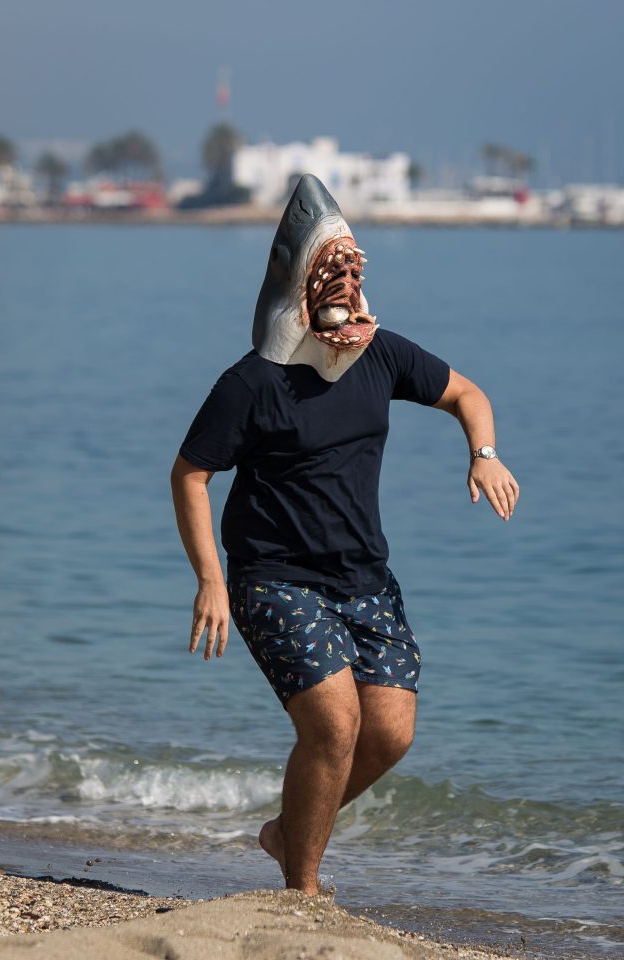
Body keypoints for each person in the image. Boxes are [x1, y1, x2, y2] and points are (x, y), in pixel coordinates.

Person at [171, 175, 519, 896]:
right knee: (333, 726)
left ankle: (283, 834)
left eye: (353, 274)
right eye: (332, 274)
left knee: (388, 734)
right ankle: (302, 886)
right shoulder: (251, 383)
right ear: (300, 285)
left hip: (364, 577)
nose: (348, 290)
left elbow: (466, 393)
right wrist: (210, 580)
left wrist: (482, 453)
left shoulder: (383, 354)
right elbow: (190, 475)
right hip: (273, 575)